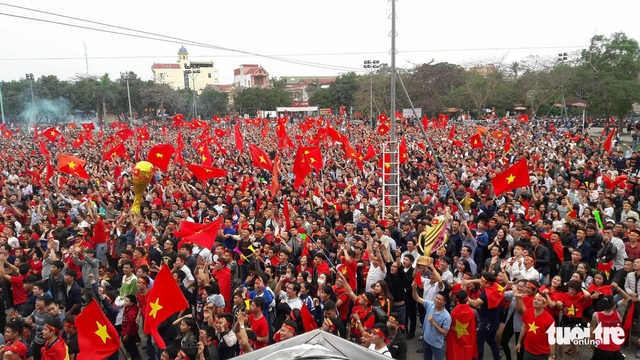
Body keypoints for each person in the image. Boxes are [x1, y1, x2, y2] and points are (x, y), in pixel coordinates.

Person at [412, 283, 451, 360]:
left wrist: (433, 323)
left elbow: (445, 332)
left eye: (440, 299)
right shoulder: (430, 304)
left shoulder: (446, 316)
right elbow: (416, 298)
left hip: (437, 344)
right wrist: (414, 289)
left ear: (444, 302)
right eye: (436, 297)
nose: (436, 300)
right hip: (426, 340)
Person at [515, 293, 556, 360]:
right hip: (528, 351)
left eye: (539, 300)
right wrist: (519, 343)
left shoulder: (550, 320)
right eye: (535, 299)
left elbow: (552, 339)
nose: (535, 301)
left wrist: (552, 355)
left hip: (542, 354)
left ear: (544, 304)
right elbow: (524, 327)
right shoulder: (528, 312)